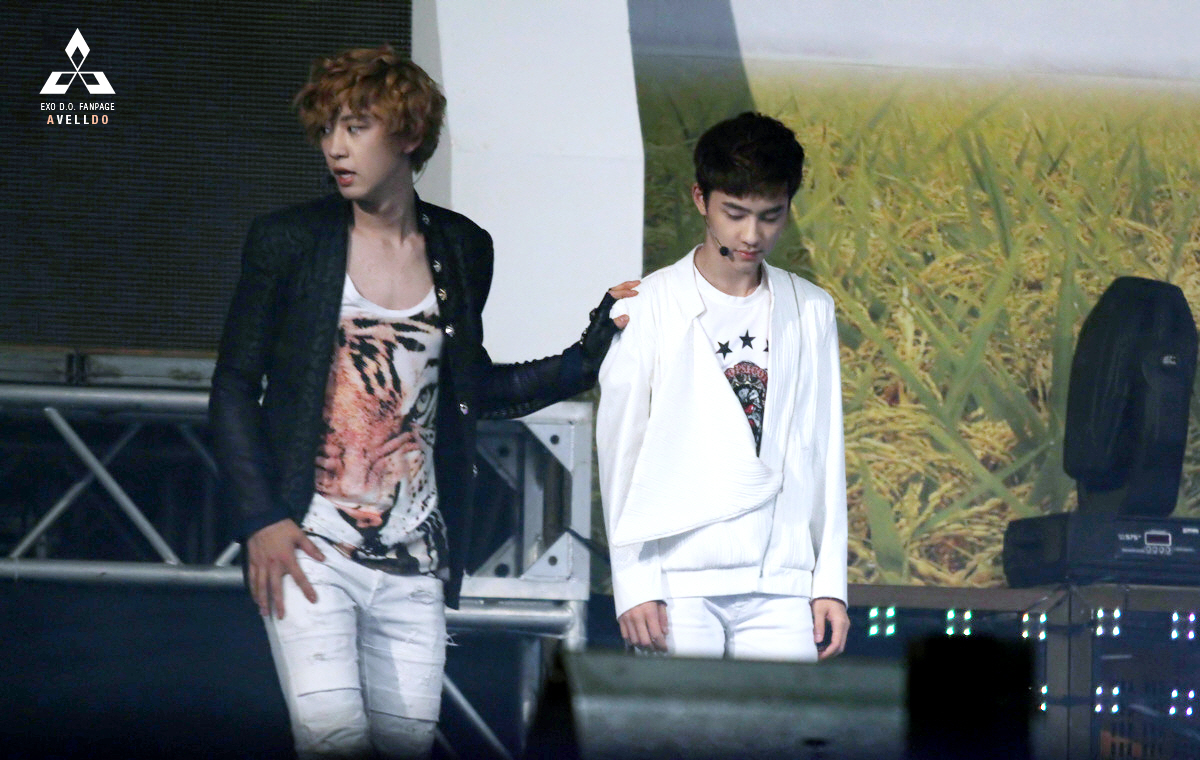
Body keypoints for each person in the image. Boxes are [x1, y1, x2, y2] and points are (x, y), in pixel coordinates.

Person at [209, 45, 637, 759]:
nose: (336, 148)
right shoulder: (290, 241)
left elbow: (472, 389)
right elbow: (232, 385)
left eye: (356, 127)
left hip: (417, 557)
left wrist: (585, 357)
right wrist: (261, 518)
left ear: (408, 134)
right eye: (327, 129)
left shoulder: (463, 248)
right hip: (313, 545)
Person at [597, 112, 849, 662]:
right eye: (735, 213)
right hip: (677, 575)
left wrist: (829, 582)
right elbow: (622, 449)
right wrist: (634, 582)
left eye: (770, 215)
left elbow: (825, 449)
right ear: (700, 199)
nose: (752, 235)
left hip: (782, 577)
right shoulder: (648, 304)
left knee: (782, 719)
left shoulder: (811, 308)